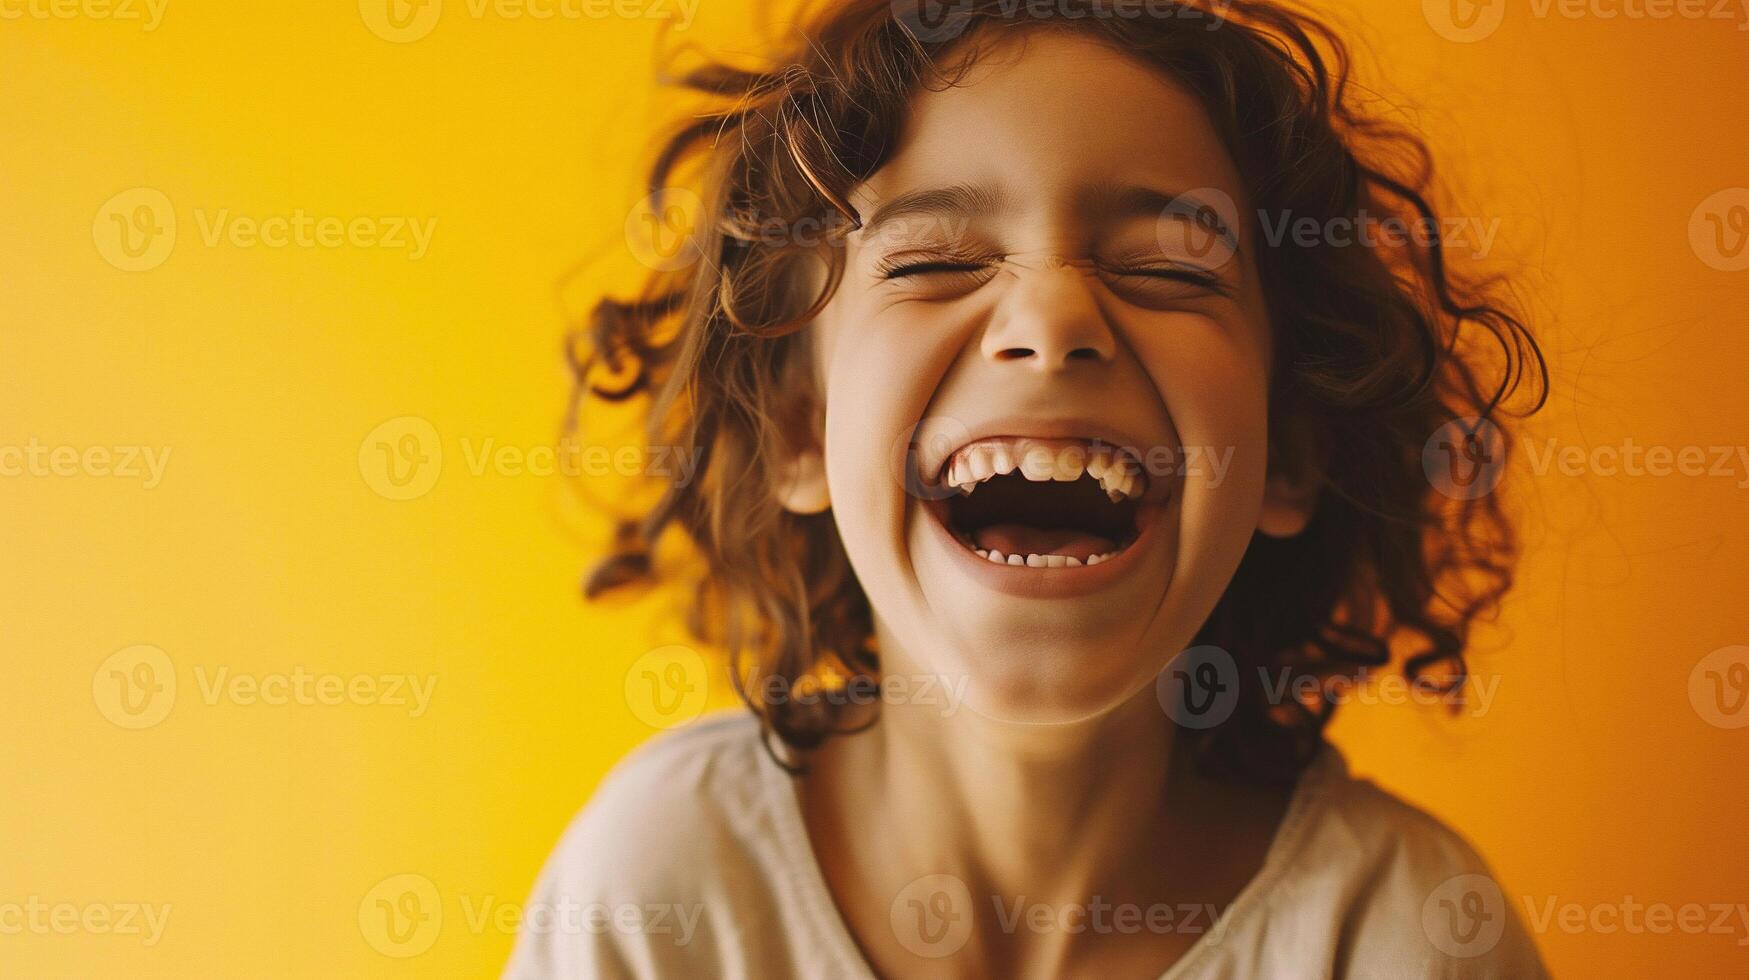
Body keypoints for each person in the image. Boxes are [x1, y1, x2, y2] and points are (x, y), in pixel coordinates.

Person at [511, 2, 1549, 975]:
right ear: (800, 429)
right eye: (930, 262)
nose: (1050, 320)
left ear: (1288, 449)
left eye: (1173, 268)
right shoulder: (663, 886)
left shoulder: (1408, 933)